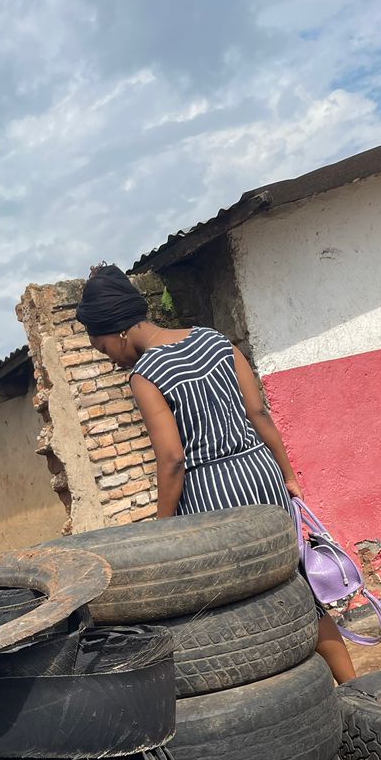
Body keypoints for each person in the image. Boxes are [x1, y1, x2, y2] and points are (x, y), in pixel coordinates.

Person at [75, 263, 356, 684]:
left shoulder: (146, 374)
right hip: (261, 472)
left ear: (118, 332)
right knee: (297, 587)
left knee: (235, 603)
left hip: (213, 492)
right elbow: (258, 412)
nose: (111, 360)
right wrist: (288, 475)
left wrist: (162, 527)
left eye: (103, 349)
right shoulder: (216, 340)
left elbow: (172, 458)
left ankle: (275, 690)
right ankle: (355, 689)